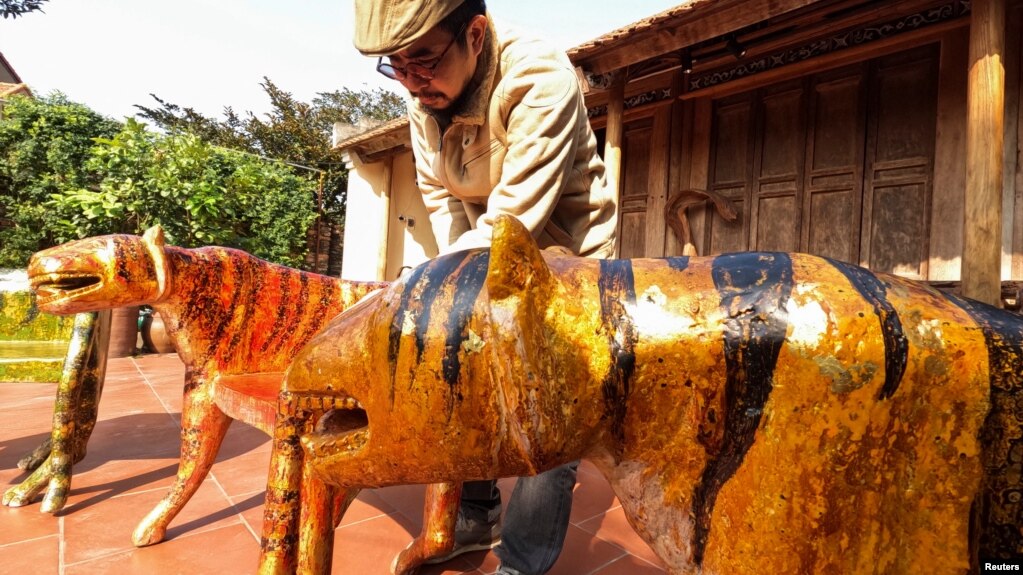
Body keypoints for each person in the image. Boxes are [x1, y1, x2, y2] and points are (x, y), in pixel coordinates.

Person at [352, 1, 618, 573]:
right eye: (395, 66)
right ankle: (474, 515)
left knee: (552, 419)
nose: (411, 80)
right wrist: (452, 288)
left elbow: (512, 219)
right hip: (481, 249)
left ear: (475, 34)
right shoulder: (421, 92)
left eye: (422, 60)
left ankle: (523, 561)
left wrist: (424, 288)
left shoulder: (538, 76)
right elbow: (444, 200)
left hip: (567, 260)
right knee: (463, 379)